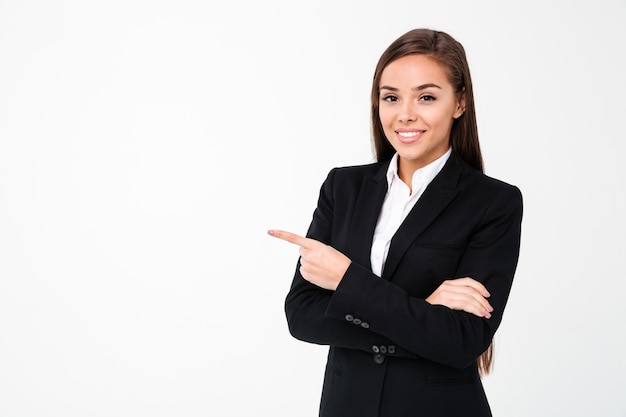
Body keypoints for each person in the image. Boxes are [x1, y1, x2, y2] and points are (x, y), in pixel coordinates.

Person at [268, 28, 522, 417]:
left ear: (460, 103)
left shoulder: (494, 203)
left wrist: (346, 280)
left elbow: (461, 341)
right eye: (391, 97)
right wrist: (423, 308)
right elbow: (302, 316)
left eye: (426, 97)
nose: (405, 113)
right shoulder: (343, 187)